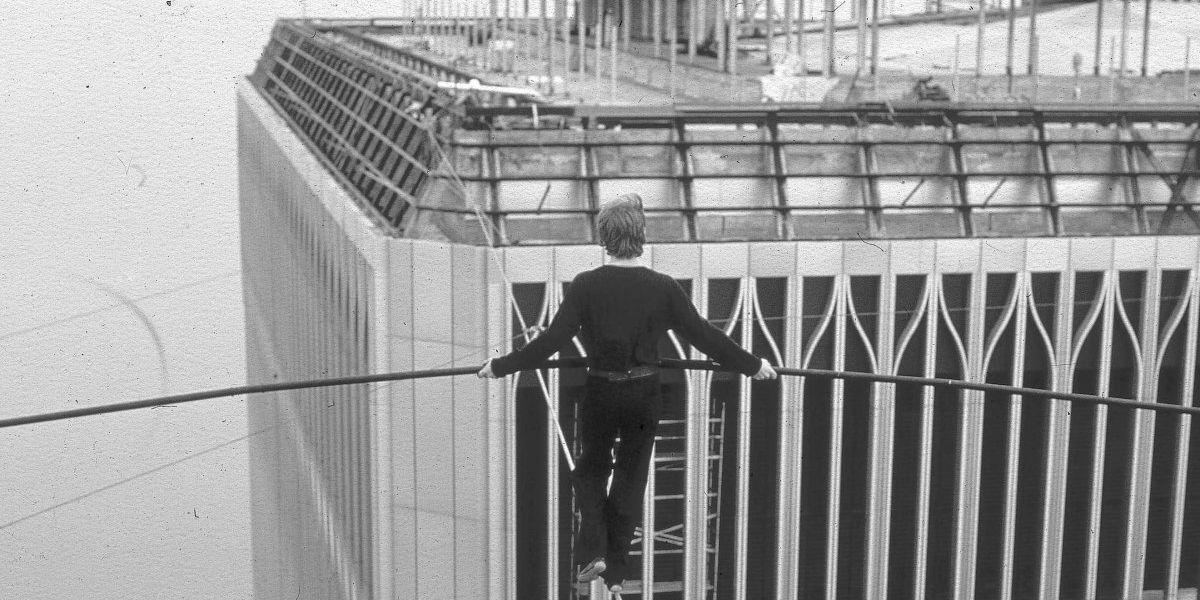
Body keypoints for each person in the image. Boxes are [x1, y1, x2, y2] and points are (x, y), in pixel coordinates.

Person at [477, 193, 776, 595]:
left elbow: (551, 342)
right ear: (642, 235)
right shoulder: (663, 287)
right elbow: (704, 336)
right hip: (644, 393)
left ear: (603, 237)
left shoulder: (586, 285)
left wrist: (500, 366)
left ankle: (593, 553)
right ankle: (616, 571)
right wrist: (752, 364)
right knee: (631, 479)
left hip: (602, 390)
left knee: (590, 470)